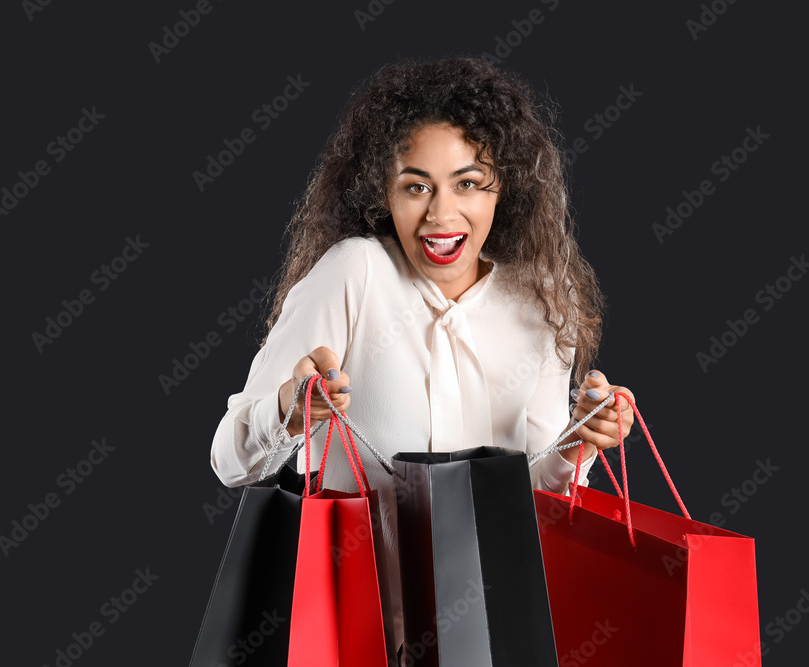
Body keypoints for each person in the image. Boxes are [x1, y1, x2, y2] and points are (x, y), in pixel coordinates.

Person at [209, 55, 636, 660]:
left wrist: (580, 441)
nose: (441, 215)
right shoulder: (356, 274)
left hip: (483, 636)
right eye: (416, 186)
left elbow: (529, 500)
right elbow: (229, 460)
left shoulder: (541, 301)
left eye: (467, 183)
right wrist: (288, 413)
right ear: (383, 192)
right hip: (353, 630)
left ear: (502, 187)